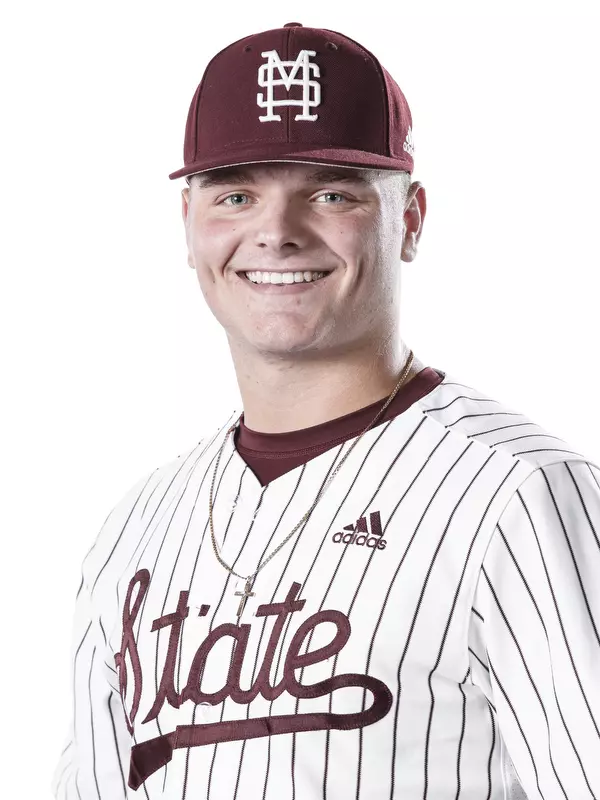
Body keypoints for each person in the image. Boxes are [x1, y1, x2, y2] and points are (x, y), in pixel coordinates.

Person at [52, 21, 600, 800]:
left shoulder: (521, 495)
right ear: (189, 223)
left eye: (330, 192)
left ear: (409, 217)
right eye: (237, 194)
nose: (275, 232)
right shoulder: (136, 526)